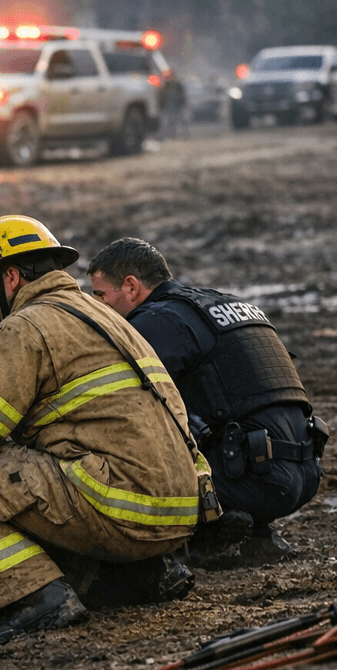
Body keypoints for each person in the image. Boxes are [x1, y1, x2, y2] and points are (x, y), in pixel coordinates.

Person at [0, 215, 208, 646]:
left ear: (10, 275)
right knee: (37, 458)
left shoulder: (27, 326)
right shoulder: (103, 314)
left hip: (126, 508)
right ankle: (137, 577)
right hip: (178, 512)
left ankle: (33, 600)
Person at [87, 238, 326, 563]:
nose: (97, 307)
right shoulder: (225, 303)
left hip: (252, 480)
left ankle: (211, 528)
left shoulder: (156, 321)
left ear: (130, 286)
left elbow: (111, 404)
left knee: (126, 429)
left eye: (100, 296)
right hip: (306, 473)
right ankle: (254, 532)